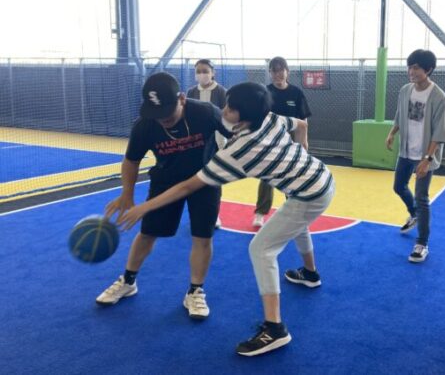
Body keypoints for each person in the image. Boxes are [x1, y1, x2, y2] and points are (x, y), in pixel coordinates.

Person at [118, 82, 335, 357]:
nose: (224, 110)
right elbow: (301, 125)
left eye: (230, 108)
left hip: (309, 195)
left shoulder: (238, 153)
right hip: (322, 178)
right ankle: (310, 274)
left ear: (243, 118)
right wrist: (302, 149)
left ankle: (275, 329)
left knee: (261, 249)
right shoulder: (269, 118)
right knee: (293, 221)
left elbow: (188, 186)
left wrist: (144, 207)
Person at [98, 72, 230, 321]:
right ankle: (128, 281)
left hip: (205, 181)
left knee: (202, 237)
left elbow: (237, 134)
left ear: (182, 99)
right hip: (165, 181)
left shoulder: (205, 113)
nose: (163, 120)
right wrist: (127, 194)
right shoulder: (145, 124)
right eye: (157, 115)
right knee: (148, 233)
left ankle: (195, 290)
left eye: (168, 113)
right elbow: (131, 161)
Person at [385, 49, 445, 263]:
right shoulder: (405, 90)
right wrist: (392, 133)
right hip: (406, 151)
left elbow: (440, 132)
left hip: (425, 154)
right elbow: (400, 114)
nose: (411, 72)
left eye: (416, 68)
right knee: (398, 187)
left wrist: (427, 159)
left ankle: (422, 243)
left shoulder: (439, 97)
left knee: (422, 197)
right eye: (410, 67)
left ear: (428, 69)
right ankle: (414, 214)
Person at [252, 56, 312, 227]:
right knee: (267, 176)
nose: (277, 74)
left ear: (287, 72)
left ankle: (294, 213)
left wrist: (304, 142)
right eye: (274, 71)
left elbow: (303, 120)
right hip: (270, 140)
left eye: (281, 70)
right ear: (270, 73)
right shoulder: (265, 92)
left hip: (291, 141)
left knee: (292, 176)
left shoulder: (296, 93)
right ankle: (260, 213)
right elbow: (258, 118)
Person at [187, 58, 228, 227]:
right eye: (198, 71)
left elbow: (226, 118)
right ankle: (196, 213)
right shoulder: (191, 92)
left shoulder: (222, 92)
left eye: (205, 71)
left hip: (216, 142)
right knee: (195, 179)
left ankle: (214, 215)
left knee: (213, 180)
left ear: (213, 73)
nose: (202, 74)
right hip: (196, 143)